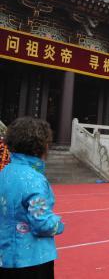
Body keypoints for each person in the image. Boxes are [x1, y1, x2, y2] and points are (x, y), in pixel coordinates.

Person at [0, 117, 64, 279]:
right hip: (33, 259)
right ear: (41, 146)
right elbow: (42, 222)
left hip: (5, 255)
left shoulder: (4, 173)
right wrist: (58, 225)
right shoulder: (34, 179)